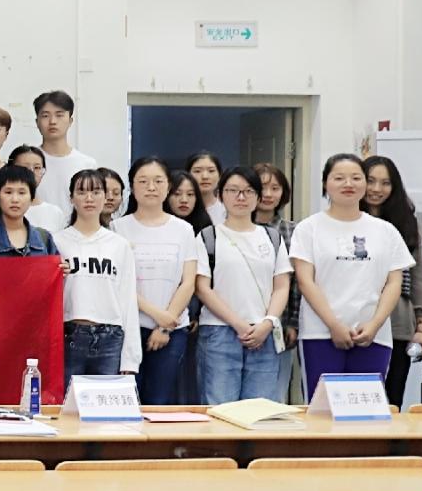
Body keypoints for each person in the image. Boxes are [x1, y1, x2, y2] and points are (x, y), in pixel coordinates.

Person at [291, 154, 415, 398]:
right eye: (339, 178)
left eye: (356, 178)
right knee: (322, 408)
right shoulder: (308, 228)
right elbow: (305, 281)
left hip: (372, 335)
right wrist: (334, 325)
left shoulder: (385, 230)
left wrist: (375, 324)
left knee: (366, 409)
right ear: (325, 183)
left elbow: (394, 283)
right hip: (320, 333)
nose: (348, 184)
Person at [194, 167, 291, 404]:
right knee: (220, 406)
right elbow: (202, 288)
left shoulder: (272, 237)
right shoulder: (208, 237)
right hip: (219, 332)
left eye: (248, 191)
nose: (241, 197)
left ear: (258, 197)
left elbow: (281, 285)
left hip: (264, 333)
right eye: (233, 190)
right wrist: (238, 324)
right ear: (220, 195)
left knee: (259, 408)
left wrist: (268, 322)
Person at [114, 157, 204, 405]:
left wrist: (166, 325)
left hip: (173, 331)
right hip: (129, 329)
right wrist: (157, 315)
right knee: (127, 402)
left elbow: (188, 282)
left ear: (168, 187)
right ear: (132, 186)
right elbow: (118, 284)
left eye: (158, 181)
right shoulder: (117, 228)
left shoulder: (183, 229)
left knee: (160, 402)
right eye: (143, 181)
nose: (151, 187)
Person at [361, 155, 422, 406]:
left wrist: (421, 326)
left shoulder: (407, 224)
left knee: (391, 400)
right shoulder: (346, 221)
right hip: (357, 319)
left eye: (385, 183)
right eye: (370, 181)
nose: (376, 189)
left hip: (398, 321)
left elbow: (418, 276)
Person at [55, 169, 140, 375]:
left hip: (110, 337)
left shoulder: (119, 244)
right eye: (82, 192)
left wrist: (130, 360)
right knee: (66, 396)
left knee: (105, 396)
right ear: (71, 198)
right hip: (68, 335)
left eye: (96, 192)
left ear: (105, 197)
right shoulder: (56, 241)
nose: (89, 198)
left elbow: (128, 300)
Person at [253, 162, 305, 403]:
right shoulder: (231, 230)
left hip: (280, 326)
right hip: (238, 323)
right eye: (262, 187)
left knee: (275, 394)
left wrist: (293, 322)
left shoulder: (294, 231)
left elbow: (298, 283)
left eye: (275, 188)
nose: (268, 194)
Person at [0, 165, 57, 259]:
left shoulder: (44, 238)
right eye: (8, 192)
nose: (15, 199)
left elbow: (56, 266)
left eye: (21, 193)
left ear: (31, 198)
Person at [32, 90, 96, 211]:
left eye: (59, 115)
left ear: (70, 121)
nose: (52, 121)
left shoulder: (86, 164)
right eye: (45, 116)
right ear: (37, 122)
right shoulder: (27, 162)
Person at [10, 145, 69, 233]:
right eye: (25, 168)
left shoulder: (54, 213)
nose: (31, 172)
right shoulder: (5, 208)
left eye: (37, 168)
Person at [188, 151, 225, 225]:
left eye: (211, 171)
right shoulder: (181, 209)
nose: (205, 176)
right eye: (197, 171)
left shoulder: (228, 211)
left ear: (220, 176)